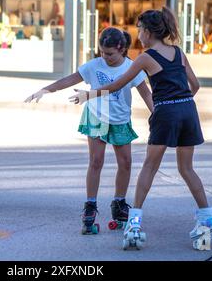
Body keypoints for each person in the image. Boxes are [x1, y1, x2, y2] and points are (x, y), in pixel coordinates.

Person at [69, 7, 212, 249]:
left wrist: (87, 94)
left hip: (167, 113)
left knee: (149, 167)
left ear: (149, 32)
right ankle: (210, 221)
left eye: (140, 29)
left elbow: (116, 84)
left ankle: (133, 223)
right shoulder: (178, 52)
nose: (137, 34)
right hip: (188, 111)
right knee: (187, 168)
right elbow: (194, 85)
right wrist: (180, 102)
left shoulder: (145, 57)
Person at [25, 27, 153, 235]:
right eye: (102, 52)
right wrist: (46, 89)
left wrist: (155, 113)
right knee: (96, 161)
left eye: (109, 53)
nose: (105, 57)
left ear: (121, 49)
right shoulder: (94, 66)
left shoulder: (131, 68)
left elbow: (146, 94)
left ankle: (119, 203)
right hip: (96, 116)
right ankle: (90, 206)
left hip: (119, 119)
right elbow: (70, 79)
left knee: (126, 163)